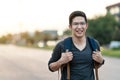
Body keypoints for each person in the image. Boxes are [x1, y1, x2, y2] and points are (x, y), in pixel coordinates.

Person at [48, 11, 104, 80]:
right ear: (70, 26)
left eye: (82, 23)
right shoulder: (61, 45)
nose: (79, 27)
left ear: (86, 25)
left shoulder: (94, 43)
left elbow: (96, 65)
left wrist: (101, 61)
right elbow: (51, 67)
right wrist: (61, 61)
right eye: (75, 24)